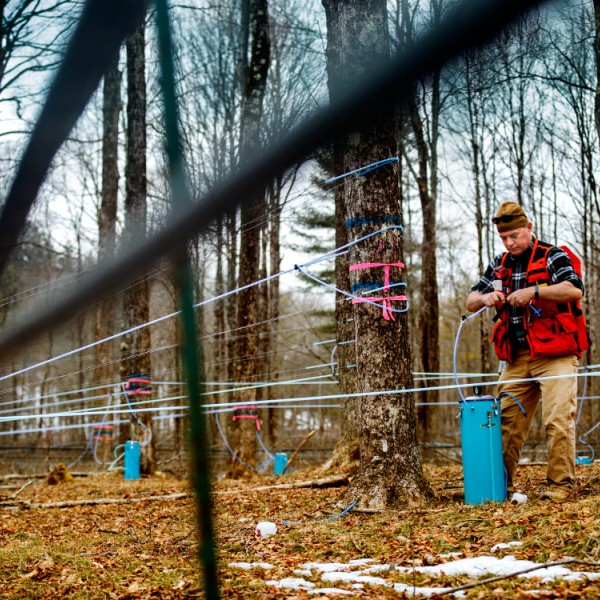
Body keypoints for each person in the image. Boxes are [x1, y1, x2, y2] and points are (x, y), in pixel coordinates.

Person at [466, 201, 588, 501]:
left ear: (529, 228)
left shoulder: (552, 255)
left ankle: (560, 485)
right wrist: (486, 298)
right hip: (517, 358)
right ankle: (498, 487)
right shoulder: (499, 264)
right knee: (505, 423)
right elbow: (471, 300)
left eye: (515, 236)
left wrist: (534, 291)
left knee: (558, 418)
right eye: (505, 238)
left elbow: (574, 289)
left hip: (556, 354)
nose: (510, 242)